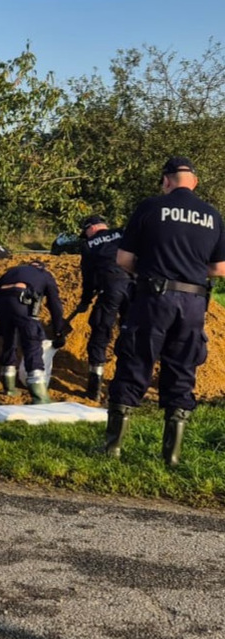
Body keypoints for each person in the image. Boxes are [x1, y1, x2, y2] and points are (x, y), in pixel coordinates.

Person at [103, 156, 225, 466]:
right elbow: (219, 268)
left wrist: (153, 270)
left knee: (135, 361)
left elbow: (123, 259)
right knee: (183, 369)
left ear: (166, 181)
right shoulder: (213, 216)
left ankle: (113, 447)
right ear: (194, 182)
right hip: (194, 302)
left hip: (154, 298)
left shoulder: (151, 207)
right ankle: (171, 455)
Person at [72, 214, 133, 402]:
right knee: (131, 333)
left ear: (91, 228)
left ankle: (94, 388)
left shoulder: (89, 246)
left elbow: (88, 277)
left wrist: (86, 300)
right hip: (135, 288)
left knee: (100, 330)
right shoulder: (123, 233)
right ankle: (127, 383)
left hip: (110, 290)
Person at [0, 260, 67, 404]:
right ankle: (39, 396)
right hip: (21, 299)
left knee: (9, 340)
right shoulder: (45, 275)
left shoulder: (13, 270)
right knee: (32, 342)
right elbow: (54, 304)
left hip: (1, 300)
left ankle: (9, 387)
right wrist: (59, 331)